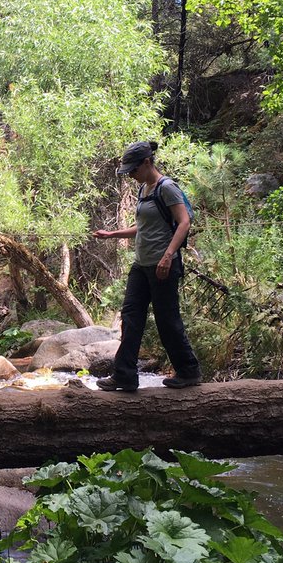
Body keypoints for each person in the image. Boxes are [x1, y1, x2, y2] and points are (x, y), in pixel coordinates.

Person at [92, 140, 202, 391]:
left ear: (147, 162)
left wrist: (167, 256)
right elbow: (143, 228)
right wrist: (112, 234)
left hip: (163, 266)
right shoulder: (144, 189)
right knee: (131, 319)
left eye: (133, 170)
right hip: (141, 266)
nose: (130, 175)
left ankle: (188, 371)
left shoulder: (167, 188)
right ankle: (125, 376)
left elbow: (184, 223)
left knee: (167, 320)